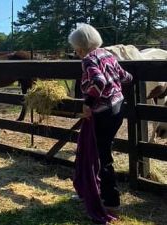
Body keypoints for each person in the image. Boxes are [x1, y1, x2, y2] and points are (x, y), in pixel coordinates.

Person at [68, 24, 133, 211]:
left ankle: (111, 200)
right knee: (99, 152)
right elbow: (125, 76)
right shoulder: (107, 54)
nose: (76, 52)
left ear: (80, 47)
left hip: (103, 114)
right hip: (118, 109)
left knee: (100, 156)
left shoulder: (88, 60)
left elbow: (99, 81)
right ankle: (92, 190)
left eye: (75, 48)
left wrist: (87, 103)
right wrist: (129, 80)